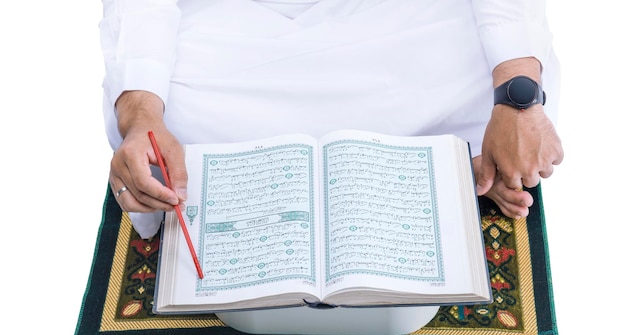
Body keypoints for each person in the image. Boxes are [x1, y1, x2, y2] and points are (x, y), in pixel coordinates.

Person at [100, 0, 563, 239]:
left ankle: (481, 159)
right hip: (243, 29)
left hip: (398, 26)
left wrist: (513, 98)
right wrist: (143, 116)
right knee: (171, 100)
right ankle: (451, 161)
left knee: (486, 71)